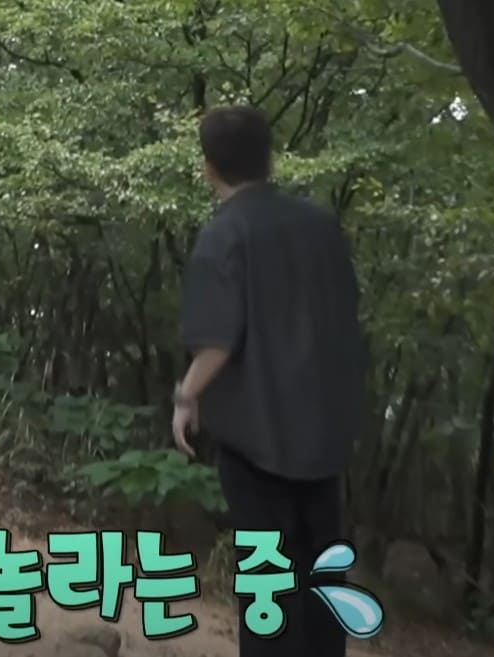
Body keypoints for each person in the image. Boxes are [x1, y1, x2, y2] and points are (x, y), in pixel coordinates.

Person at [171, 105, 366, 657]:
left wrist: (186, 397)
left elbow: (216, 342)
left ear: (209, 167)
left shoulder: (224, 235)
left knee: (269, 579)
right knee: (322, 571)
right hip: (324, 433)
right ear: (270, 157)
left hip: (257, 437)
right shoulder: (320, 226)